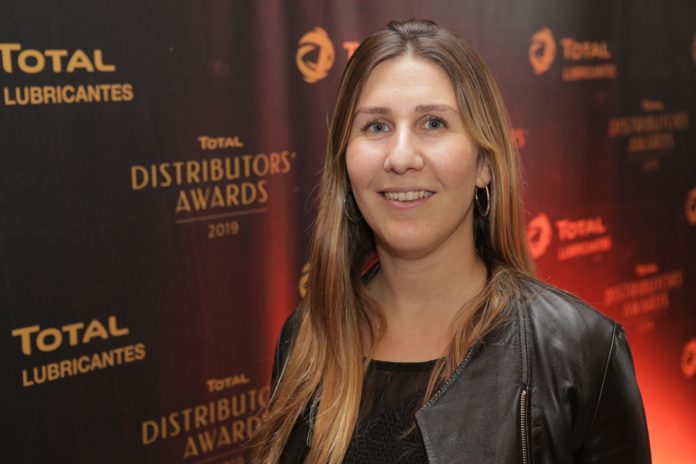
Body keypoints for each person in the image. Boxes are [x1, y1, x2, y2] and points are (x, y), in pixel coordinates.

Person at [252, 19, 651, 463]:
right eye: (377, 127)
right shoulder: (307, 338)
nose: (401, 157)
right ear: (345, 162)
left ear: (484, 164)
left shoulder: (579, 351)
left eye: (433, 123)